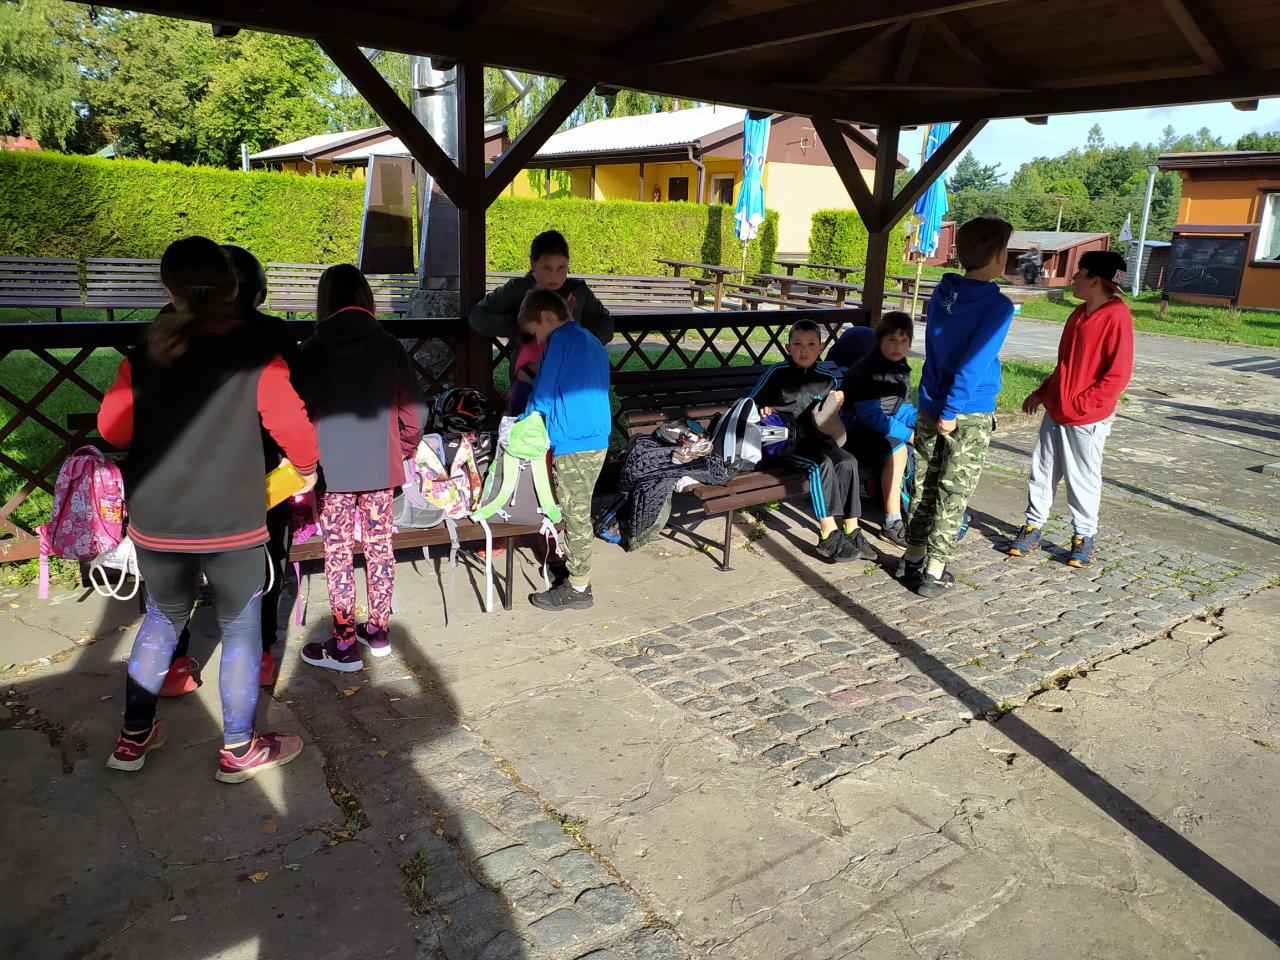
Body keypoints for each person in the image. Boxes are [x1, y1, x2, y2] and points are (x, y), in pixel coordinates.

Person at [97, 236, 318, 782]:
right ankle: (239, 749)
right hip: (233, 519)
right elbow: (296, 430)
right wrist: (306, 469)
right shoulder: (256, 354)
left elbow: (113, 430)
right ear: (231, 288)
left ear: (168, 292)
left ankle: (132, 739)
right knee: (240, 624)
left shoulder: (144, 354)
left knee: (161, 617)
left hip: (157, 519)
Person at [160, 245, 297, 695]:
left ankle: (174, 664)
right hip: (258, 474)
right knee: (266, 562)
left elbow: (123, 420)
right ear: (252, 292)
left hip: (175, 477)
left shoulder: (164, 330)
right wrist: (305, 463)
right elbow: (296, 401)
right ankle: (259, 658)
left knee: (174, 573)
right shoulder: (270, 334)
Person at [294, 265, 424, 670]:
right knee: (380, 547)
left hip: (331, 470)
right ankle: (379, 631)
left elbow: (298, 412)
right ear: (365, 297)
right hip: (380, 466)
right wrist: (403, 448)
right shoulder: (389, 346)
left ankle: (344, 643)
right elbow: (414, 412)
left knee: (337, 553)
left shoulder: (312, 348)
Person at [898, 216, 1015, 598]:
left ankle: (912, 557)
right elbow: (974, 362)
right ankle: (934, 572)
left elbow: (939, 349)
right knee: (953, 490)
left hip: (930, 401)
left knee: (924, 483)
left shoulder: (943, 292)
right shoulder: (997, 307)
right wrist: (952, 411)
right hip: (966, 411)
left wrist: (940, 406)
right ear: (998, 256)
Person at [1009, 250, 1134, 568]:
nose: (1074, 278)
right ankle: (1033, 527)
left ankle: (1084, 536)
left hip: (1087, 417)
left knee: (1083, 478)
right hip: (1057, 409)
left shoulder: (1117, 316)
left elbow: (1118, 374)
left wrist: (1083, 404)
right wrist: (1043, 392)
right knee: (1043, 470)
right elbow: (1065, 365)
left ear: (1095, 281)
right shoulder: (1077, 315)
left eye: (1080, 273)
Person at [751, 319, 877, 563]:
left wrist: (837, 409)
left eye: (811, 344)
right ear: (788, 347)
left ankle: (851, 530)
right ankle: (828, 535)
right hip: (784, 444)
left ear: (820, 348)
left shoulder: (828, 379)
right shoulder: (776, 372)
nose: (804, 350)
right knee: (820, 465)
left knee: (848, 461)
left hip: (817, 440)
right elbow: (749, 403)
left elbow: (833, 417)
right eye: (798, 344)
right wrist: (763, 409)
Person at [518, 288, 611, 611]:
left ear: (546, 317)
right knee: (578, 509)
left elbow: (544, 394)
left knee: (575, 514)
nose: (538, 340)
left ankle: (578, 587)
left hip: (573, 441)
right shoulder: (590, 340)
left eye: (536, 333)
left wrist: (521, 423)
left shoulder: (560, 340)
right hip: (597, 437)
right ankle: (575, 571)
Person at [468, 229, 613, 406]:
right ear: (533, 264)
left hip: (571, 377)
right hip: (529, 377)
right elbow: (477, 315)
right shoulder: (517, 289)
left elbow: (605, 323)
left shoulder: (578, 291)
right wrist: (519, 328)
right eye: (547, 268)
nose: (554, 276)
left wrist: (582, 344)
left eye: (561, 268)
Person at [841, 312, 918, 546]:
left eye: (904, 341)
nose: (898, 346)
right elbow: (872, 416)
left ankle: (917, 507)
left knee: (928, 440)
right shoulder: (869, 370)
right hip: (853, 429)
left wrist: (922, 421)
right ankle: (892, 522)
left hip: (875, 426)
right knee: (898, 448)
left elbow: (900, 407)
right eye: (892, 340)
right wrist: (908, 434)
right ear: (880, 340)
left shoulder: (900, 367)